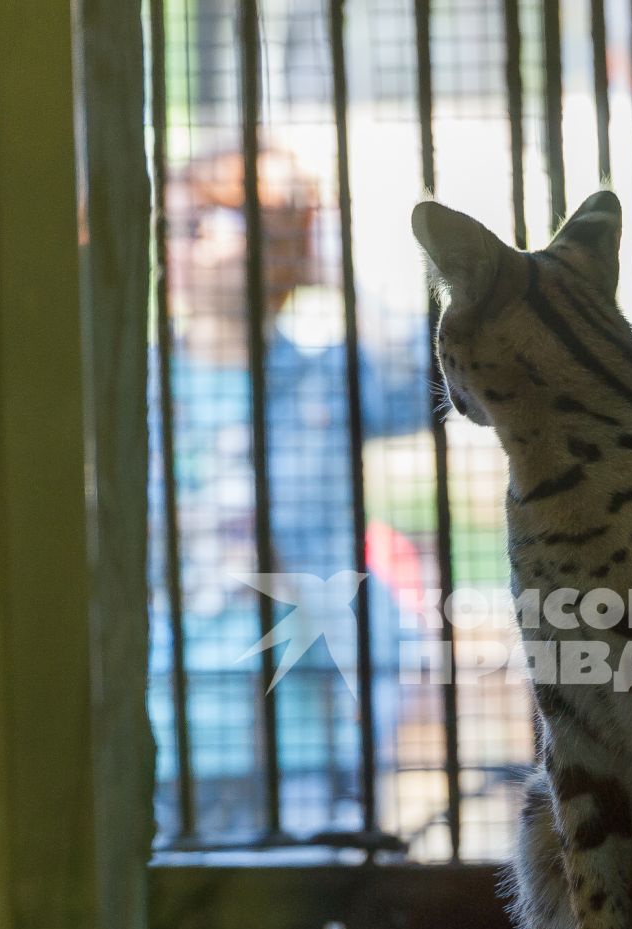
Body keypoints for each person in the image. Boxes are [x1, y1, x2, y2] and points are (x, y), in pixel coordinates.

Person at [153, 146, 427, 837]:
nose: (178, 243)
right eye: (172, 226)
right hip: (165, 732)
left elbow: (436, 376)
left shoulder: (326, 381)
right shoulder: (135, 391)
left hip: (301, 740)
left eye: (202, 223)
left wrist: (332, 269)